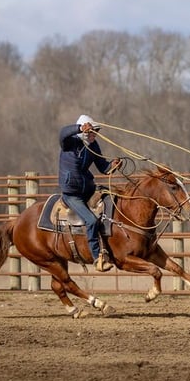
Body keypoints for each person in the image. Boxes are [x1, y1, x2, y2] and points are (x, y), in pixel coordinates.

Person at [58, 114, 121, 272]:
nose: (95, 134)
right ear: (84, 131)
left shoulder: (94, 146)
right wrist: (79, 128)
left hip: (88, 189)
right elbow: (62, 133)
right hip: (72, 194)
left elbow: (103, 168)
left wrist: (113, 166)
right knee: (92, 221)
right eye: (93, 131)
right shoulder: (69, 143)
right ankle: (96, 258)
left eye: (96, 131)